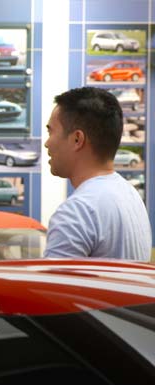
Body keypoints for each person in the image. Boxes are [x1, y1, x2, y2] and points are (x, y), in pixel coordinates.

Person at [44, 86, 151, 260]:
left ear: (77, 139)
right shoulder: (130, 195)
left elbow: (54, 279)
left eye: (51, 132)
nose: (47, 143)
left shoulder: (78, 212)